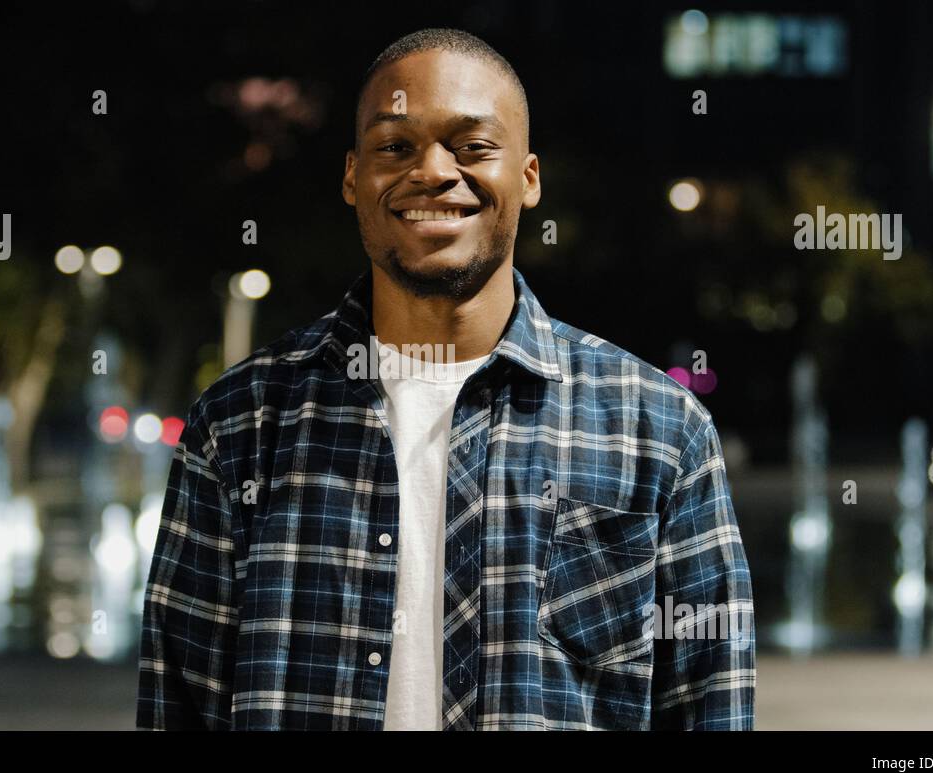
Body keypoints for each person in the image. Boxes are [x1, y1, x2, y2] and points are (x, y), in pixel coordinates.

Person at [138, 27, 754, 731]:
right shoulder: (239, 426)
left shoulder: (660, 432)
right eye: (395, 146)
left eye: (472, 147)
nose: (432, 171)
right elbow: (176, 705)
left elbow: (711, 705)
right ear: (351, 177)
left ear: (527, 177)